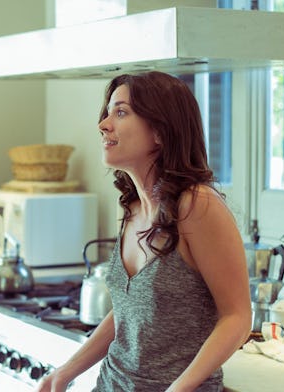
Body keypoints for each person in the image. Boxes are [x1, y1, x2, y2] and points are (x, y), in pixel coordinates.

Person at [36, 71, 251, 392]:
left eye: (121, 112)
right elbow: (127, 312)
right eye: (108, 112)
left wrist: (177, 389)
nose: (104, 124)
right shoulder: (133, 207)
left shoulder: (197, 205)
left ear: (161, 132)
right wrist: (66, 371)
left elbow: (237, 317)